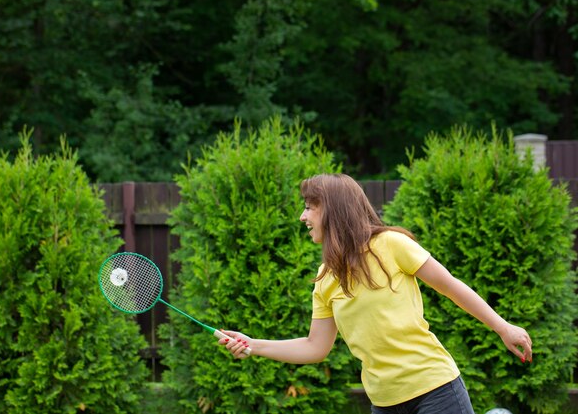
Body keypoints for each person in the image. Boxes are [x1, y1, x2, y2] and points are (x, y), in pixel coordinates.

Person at [219, 173, 532, 414]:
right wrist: (252, 345)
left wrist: (503, 327)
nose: (302, 216)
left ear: (334, 211)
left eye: (309, 208)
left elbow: (451, 287)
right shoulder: (325, 279)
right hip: (384, 402)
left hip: (434, 386)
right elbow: (315, 347)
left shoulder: (392, 246)